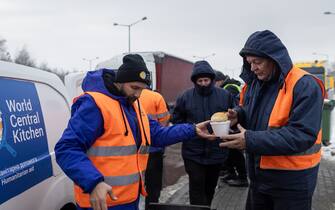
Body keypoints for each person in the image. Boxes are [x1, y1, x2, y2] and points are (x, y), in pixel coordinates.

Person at [55, 54, 216, 210]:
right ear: (120, 81)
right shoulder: (95, 105)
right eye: (134, 88)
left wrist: (192, 129)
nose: (138, 94)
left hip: (129, 199)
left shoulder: (133, 105)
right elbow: (67, 148)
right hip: (101, 203)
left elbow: (156, 134)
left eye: (142, 89)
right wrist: (93, 182)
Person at [220, 30, 325, 210]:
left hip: (292, 183)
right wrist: (239, 114)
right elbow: (252, 111)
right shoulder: (254, 84)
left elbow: (302, 134)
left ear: (274, 58)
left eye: (257, 62)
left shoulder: (305, 85)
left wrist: (249, 140)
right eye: (249, 63)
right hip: (259, 179)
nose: (252, 68)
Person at [171, 60, 235, 206]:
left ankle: (206, 206)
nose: (204, 83)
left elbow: (234, 116)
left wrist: (231, 126)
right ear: (195, 81)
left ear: (212, 79)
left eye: (206, 80)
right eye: (200, 80)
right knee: (196, 187)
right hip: (193, 152)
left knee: (210, 188)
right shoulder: (185, 97)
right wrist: (191, 129)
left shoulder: (225, 95)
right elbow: (176, 119)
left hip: (217, 151)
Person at [214, 71, 248, 187]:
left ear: (219, 81)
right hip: (231, 123)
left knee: (235, 152)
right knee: (229, 151)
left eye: (215, 82)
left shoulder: (229, 88)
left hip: (235, 125)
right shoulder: (229, 86)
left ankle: (242, 177)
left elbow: (231, 106)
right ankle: (232, 173)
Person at [138, 89, 170, 210]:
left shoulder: (125, 95)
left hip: (133, 150)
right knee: (153, 186)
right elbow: (164, 123)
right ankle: (151, 207)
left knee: (133, 184)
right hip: (153, 149)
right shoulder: (156, 97)